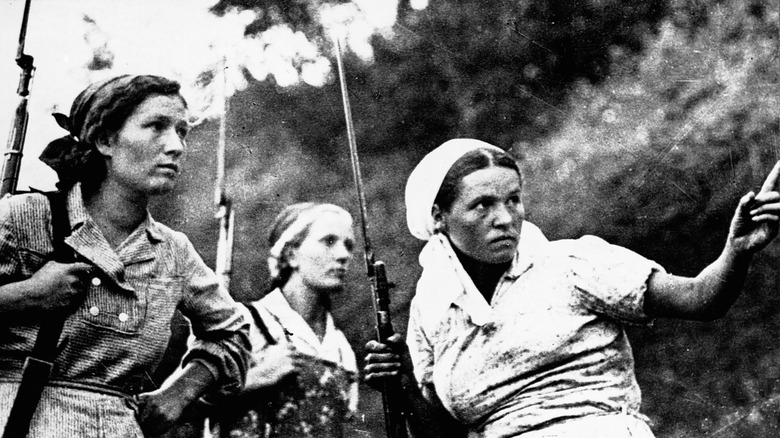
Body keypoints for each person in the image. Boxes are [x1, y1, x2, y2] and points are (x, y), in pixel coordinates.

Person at [363, 138, 780, 437]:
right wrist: (399, 383)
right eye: (482, 205)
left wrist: (737, 248)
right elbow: (446, 431)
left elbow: (700, 299)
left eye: (513, 200)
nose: (505, 218)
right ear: (438, 217)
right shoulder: (431, 310)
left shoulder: (570, 264)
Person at [0, 74, 251, 437]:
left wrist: (177, 394)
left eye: (182, 132)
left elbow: (233, 333)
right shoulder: (26, 217)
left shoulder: (172, 251)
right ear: (105, 140)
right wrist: (27, 296)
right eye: (156, 127)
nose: (176, 145)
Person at [207, 202, 359, 438]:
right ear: (291, 254)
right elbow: (186, 401)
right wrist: (260, 376)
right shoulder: (245, 322)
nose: (343, 255)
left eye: (348, 245)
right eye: (329, 241)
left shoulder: (340, 348)